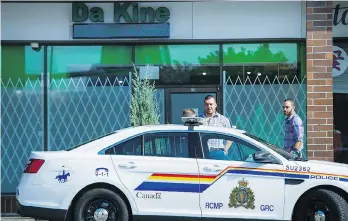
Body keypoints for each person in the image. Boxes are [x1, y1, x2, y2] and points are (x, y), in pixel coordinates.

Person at [199, 95, 232, 160]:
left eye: (211, 104)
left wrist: (226, 149)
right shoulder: (198, 119)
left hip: (218, 153)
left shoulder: (223, 120)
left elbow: (230, 137)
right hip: (202, 154)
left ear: (215, 105)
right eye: (207, 104)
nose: (209, 107)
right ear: (204, 106)